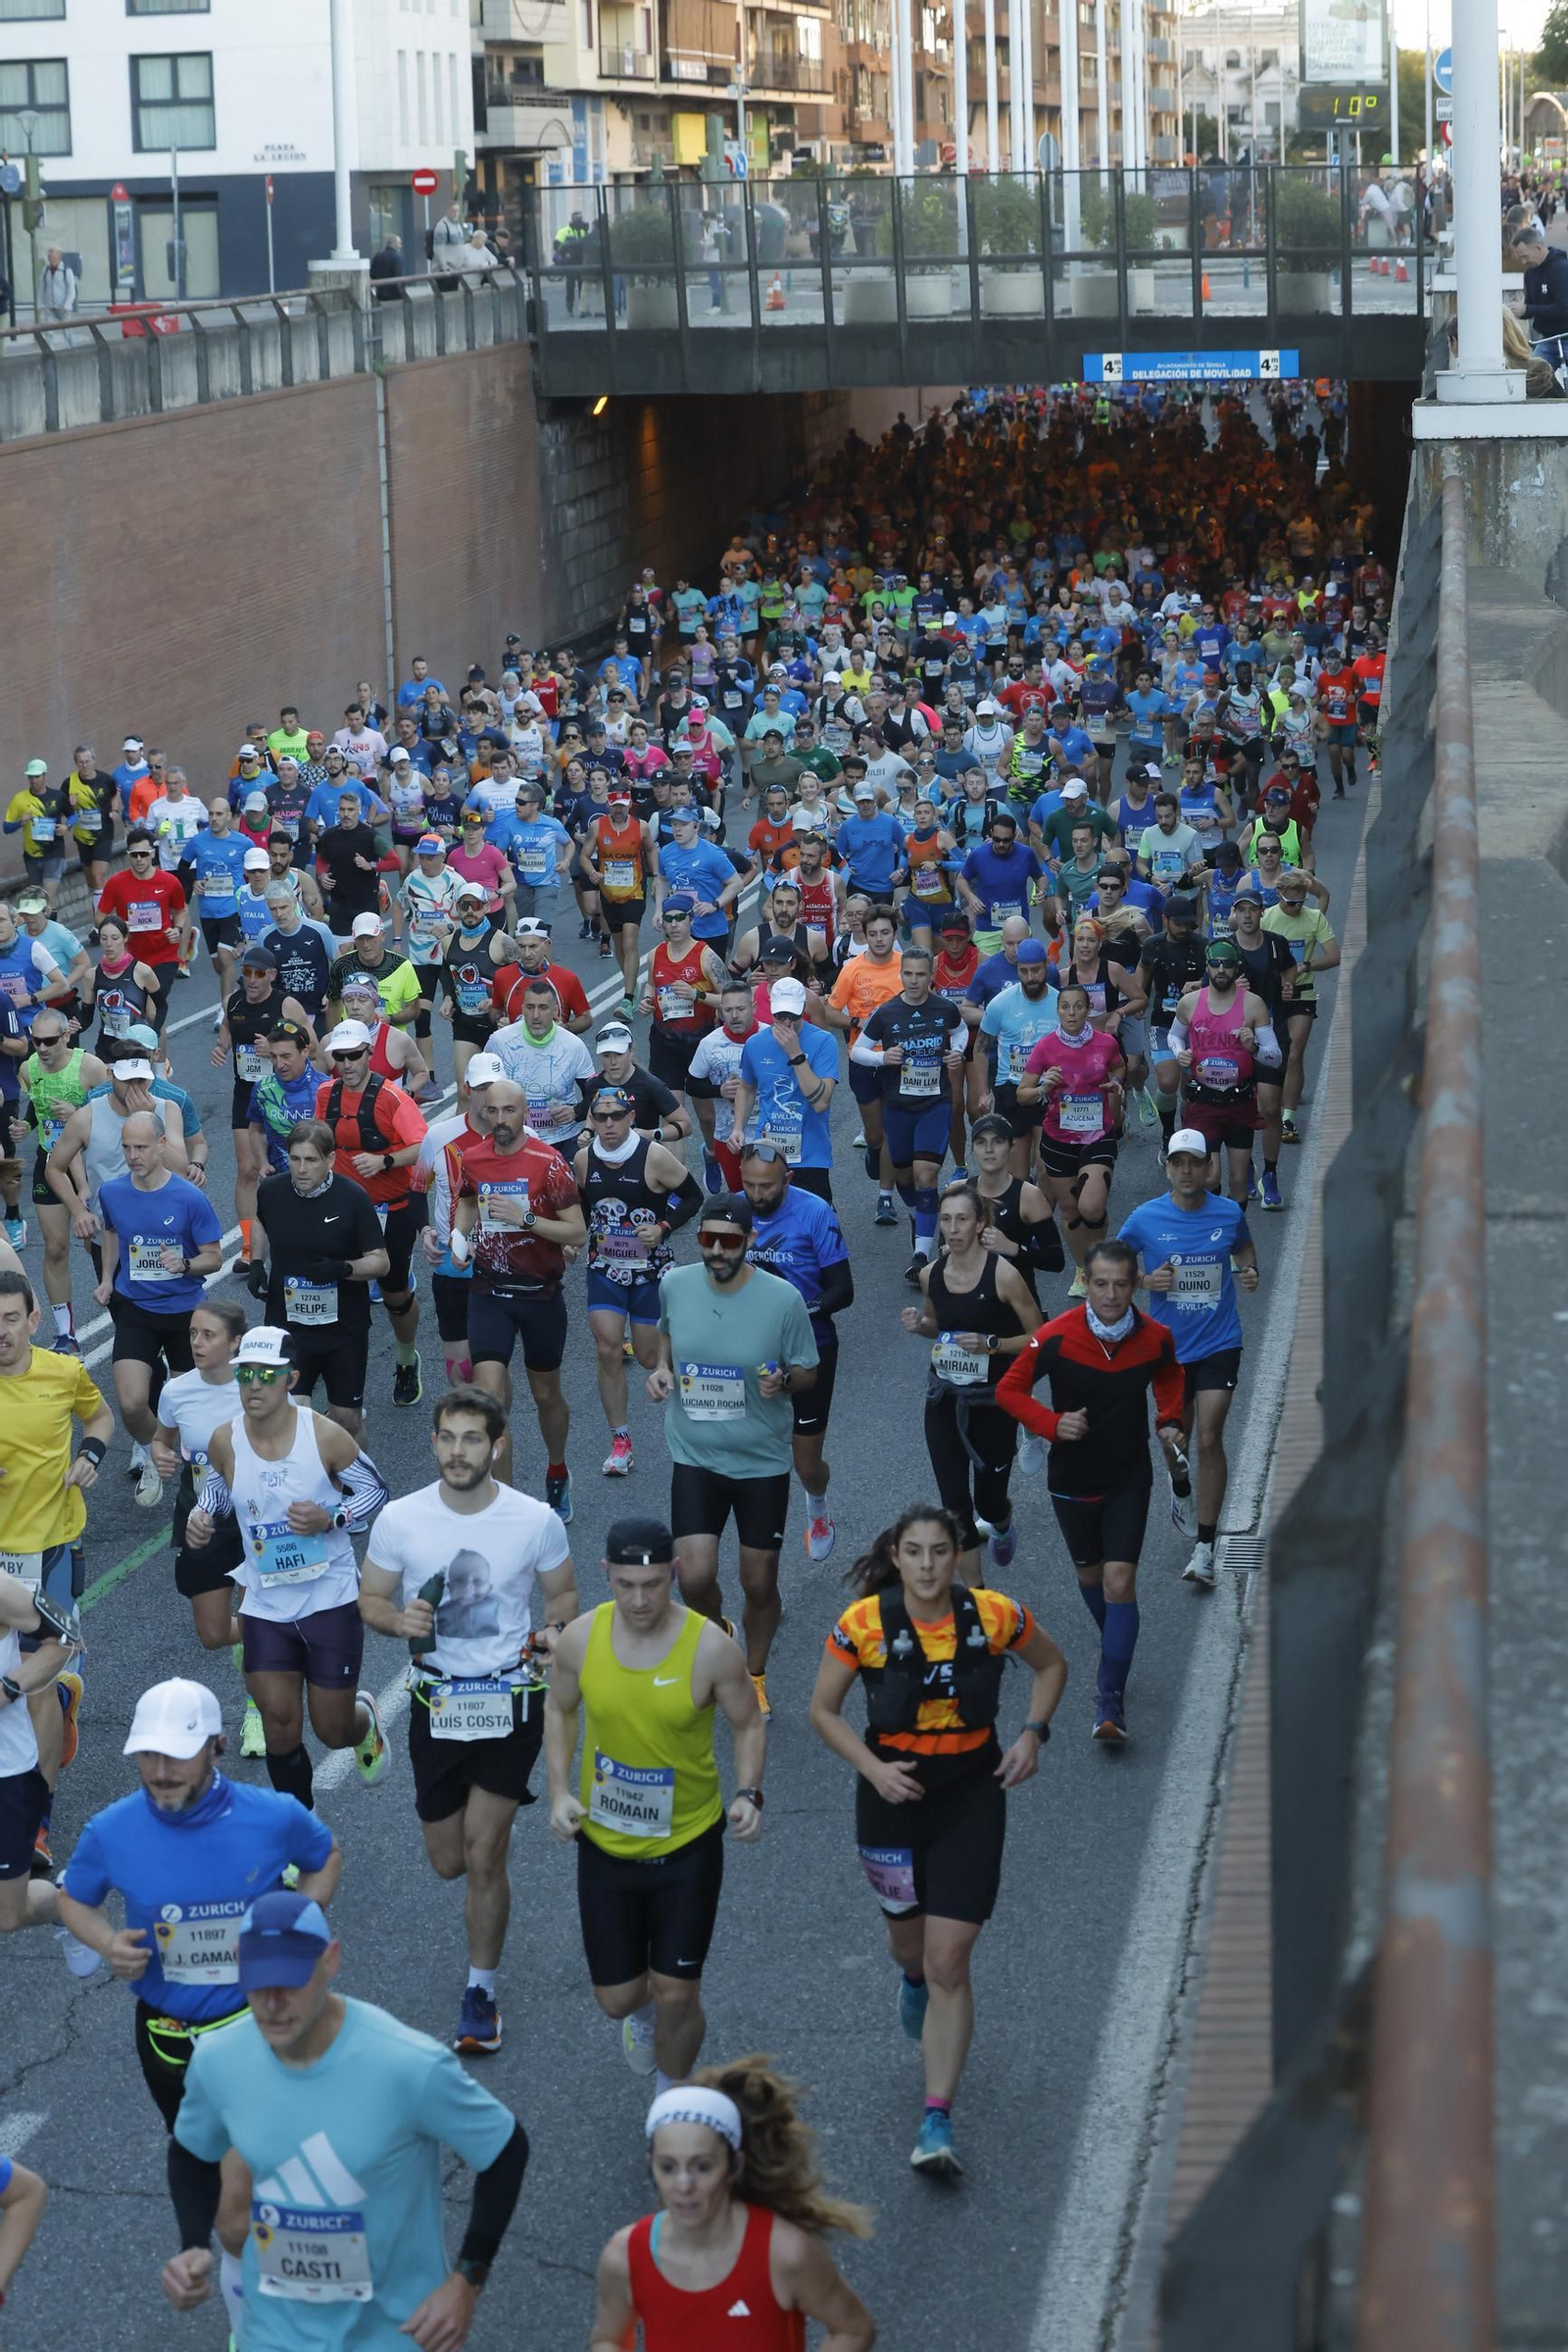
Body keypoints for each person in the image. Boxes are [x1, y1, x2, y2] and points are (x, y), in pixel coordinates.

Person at [808, 1505, 1065, 2180]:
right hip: (891, 1797)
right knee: (910, 1945)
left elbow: (1051, 1665)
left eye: (940, 1553)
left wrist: (1033, 1733)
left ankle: (936, 2119)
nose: (926, 1566)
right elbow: (822, 1710)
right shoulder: (863, 1625)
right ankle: (911, 1976)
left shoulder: (993, 1615)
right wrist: (874, 1770)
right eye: (914, 1553)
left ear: (958, 1556)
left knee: (952, 1959)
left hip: (970, 1795)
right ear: (896, 1556)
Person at [162, 1892, 530, 2345]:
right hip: (274, 2332)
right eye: (259, 1981)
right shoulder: (220, 2060)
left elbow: (506, 2148)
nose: (273, 2002)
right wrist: (192, 2243)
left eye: (290, 1981)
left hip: (394, 2333)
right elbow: (191, 2152)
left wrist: (466, 2281)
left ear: (330, 1960)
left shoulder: (407, 2066)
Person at [55, 1673, 340, 2191]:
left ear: (218, 1747)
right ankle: (227, 2257)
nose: (160, 1773)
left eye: (178, 1756)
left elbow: (324, 1858)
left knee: (272, 2163)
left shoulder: (271, 1817)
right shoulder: (111, 1830)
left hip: (266, 2018)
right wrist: (106, 1943)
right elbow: (74, 1897)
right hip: (170, 2034)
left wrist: (300, 1916)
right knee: (200, 2159)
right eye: (147, 1756)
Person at [361, 1385, 578, 2053]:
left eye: (473, 1439)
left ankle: (480, 1991)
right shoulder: (401, 1519)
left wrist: (555, 1635)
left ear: (498, 1445)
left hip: (511, 1700)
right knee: (448, 1861)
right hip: (436, 1702)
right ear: (433, 1443)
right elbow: (370, 1598)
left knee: (486, 1854)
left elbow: (562, 1593)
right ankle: (374, 1721)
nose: (459, 1452)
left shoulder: (534, 1519)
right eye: (448, 1438)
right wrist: (399, 1619)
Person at [543, 1516, 766, 2093]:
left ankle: (673, 2101)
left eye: (653, 1584)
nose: (639, 1599)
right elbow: (560, 1708)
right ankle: (643, 2021)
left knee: (677, 1992)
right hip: (606, 1845)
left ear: (675, 1572)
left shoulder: (711, 1648)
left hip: (688, 1844)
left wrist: (748, 1792)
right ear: (606, 1576)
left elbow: (747, 1723)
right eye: (624, 1585)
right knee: (618, 1999)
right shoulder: (580, 1640)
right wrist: (561, 1790)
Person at [184, 1326, 390, 1811]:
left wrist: (332, 1518)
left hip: (330, 1597)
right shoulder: (225, 1439)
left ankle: (363, 1720)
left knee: (331, 1729)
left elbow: (376, 1490)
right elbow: (217, 1486)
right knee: (279, 1722)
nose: (253, 1385)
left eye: (265, 1376)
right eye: (245, 1375)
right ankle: (300, 1834)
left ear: (290, 1379)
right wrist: (203, 1515)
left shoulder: (322, 1434)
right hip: (264, 1599)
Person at [996, 1239, 1186, 1744]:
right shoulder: (1056, 1337)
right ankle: (1117, 1640)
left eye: (1121, 1284)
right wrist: (1052, 1424)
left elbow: (1169, 1376)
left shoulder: (1156, 1337)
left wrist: (1169, 1420)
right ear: (1086, 1283)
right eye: (1099, 1284)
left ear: (1135, 1284)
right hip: (1072, 1481)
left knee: (1120, 1583)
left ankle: (1110, 1701)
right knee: (1093, 1579)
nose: (1110, 1294)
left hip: (1129, 1477)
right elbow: (1009, 1391)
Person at [650, 1197, 818, 1716]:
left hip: (761, 1461)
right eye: (707, 1240)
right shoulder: (675, 1285)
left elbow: (808, 1370)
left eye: (729, 1241)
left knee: (759, 1582)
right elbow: (666, 1337)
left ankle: (755, 1673)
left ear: (749, 1242)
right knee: (695, 1578)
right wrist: (661, 1369)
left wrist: (783, 1382)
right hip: (695, 1453)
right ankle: (722, 1639)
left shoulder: (783, 1300)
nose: (717, 1251)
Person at [590, 2064, 877, 2351]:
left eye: (702, 2167)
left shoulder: (784, 2255)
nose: (684, 2184)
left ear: (734, 2166)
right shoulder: (624, 2257)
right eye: (668, 2167)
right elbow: (608, 2339)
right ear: (650, 2166)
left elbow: (852, 2330)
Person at [1119, 1132, 1260, 1589]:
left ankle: (1205, 1546)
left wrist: (1249, 1269)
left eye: (1194, 1163)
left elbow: (1242, 1246)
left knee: (1207, 1439)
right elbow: (1111, 1271)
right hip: (1167, 1352)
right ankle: (1180, 1487)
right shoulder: (1145, 1218)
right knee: (1172, 1440)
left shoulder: (1228, 1212)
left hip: (1220, 1342)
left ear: (1208, 1169)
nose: (1185, 1171)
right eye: (1177, 1162)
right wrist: (1144, 1280)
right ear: (1166, 1168)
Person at [450, 1074, 587, 1520]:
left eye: (510, 1111)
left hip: (540, 1294)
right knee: (489, 1396)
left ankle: (557, 1469)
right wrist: (459, 1237)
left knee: (546, 1394)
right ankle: (502, 1503)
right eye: (493, 1111)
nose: (501, 1119)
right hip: (490, 1290)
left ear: (526, 1113)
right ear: (483, 1113)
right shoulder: (472, 1158)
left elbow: (577, 1232)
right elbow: (468, 1203)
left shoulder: (549, 1164)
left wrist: (527, 1218)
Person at [899, 1185, 1037, 1578]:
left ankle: (1002, 1523)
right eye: (945, 1220)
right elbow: (938, 1327)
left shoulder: (1004, 1276)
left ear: (980, 1224)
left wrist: (990, 1344)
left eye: (962, 1219)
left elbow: (1039, 1337)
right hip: (944, 1399)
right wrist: (920, 1326)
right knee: (955, 1503)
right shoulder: (931, 1275)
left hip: (994, 1402)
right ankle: (975, 1599)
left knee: (989, 1503)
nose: (953, 1228)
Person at [93, 1111, 225, 1508]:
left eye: (141, 1147)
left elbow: (215, 1258)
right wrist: (105, 1278)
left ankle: (197, 1464)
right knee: (133, 1403)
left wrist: (183, 1264)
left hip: (187, 1314)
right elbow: (112, 1232)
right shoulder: (112, 1193)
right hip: (137, 1308)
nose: (132, 1156)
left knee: (188, 1411)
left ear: (162, 1146)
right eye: (127, 1148)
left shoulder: (189, 1198)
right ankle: (156, 1455)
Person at [574, 1084, 703, 1476]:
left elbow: (694, 1197)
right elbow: (583, 1205)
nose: (609, 1124)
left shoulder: (654, 1157)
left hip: (650, 1273)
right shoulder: (583, 1160)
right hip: (606, 1270)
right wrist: (577, 1241)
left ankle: (698, 1392)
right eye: (601, 1117)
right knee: (608, 1348)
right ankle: (620, 1440)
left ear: (631, 1118)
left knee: (649, 1358)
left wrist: (663, 1227)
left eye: (617, 1116)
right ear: (592, 1121)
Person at [739, 1140, 854, 1562]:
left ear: (787, 1179)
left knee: (806, 1465)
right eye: (749, 1185)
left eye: (766, 1187)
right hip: (746, 1348)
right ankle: (760, 1549)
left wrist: (794, 1313)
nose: (756, 1196)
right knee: (755, 1459)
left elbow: (843, 1290)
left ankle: (818, 1505)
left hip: (809, 1346)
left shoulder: (815, 1212)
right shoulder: (732, 1210)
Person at [250, 1119, 390, 1440]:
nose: (301, 1169)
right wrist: (257, 1261)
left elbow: (381, 1262)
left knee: (347, 1420)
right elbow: (260, 1220)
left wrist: (343, 1269)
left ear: (330, 1160)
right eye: (294, 1159)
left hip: (342, 1329)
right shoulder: (271, 1192)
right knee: (292, 1418)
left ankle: (358, 1486)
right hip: (290, 1326)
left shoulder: (352, 1198)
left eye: (311, 1160)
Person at [314, 1020, 428, 1406]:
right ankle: (327, 1363)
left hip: (392, 1207)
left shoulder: (392, 1097)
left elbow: (424, 1147)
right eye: (339, 1057)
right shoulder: (325, 1093)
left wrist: (385, 1161)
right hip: (343, 1209)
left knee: (395, 1294)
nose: (346, 1064)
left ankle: (406, 1357)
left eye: (354, 1056)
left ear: (368, 1054)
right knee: (337, 1284)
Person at [853, 946, 968, 1282]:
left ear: (931, 976)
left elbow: (960, 1032)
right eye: (909, 974)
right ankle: (922, 1215)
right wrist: (882, 1058)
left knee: (926, 1175)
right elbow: (858, 1050)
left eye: (921, 974)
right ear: (900, 975)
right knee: (904, 1175)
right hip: (898, 1106)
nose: (915, 981)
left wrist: (956, 1053)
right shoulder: (886, 1013)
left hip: (936, 1103)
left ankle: (921, 1256)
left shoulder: (945, 1008)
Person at [1017, 980, 1126, 1298]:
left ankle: (1100, 1251)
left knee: (1091, 1207)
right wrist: (1042, 1088)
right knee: (1070, 1210)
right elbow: (1022, 1094)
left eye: (1078, 1006)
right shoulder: (1045, 1047)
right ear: (1058, 1011)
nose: (1072, 1012)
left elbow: (1120, 1068)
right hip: (1058, 1137)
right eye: (1065, 1007)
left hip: (1097, 1135)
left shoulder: (1105, 1044)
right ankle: (1084, 1269)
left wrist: (1116, 1082)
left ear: (1088, 1010)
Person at [12, 1011, 109, 1352]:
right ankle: (66, 1334)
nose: (41, 1048)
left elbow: (118, 1107)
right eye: (35, 1041)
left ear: (66, 1036)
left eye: (49, 1041)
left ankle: (123, 1311)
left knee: (96, 1246)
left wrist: (83, 1112)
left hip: (91, 1166)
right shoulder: (28, 1069)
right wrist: (26, 1127)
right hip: (50, 1163)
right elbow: (38, 1106)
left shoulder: (91, 1067)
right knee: (55, 1248)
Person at [1169, 937, 1282, 1200]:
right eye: (1216, 964)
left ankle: (1233, 1236)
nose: (1221, 970)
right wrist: (1180, 1053)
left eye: (1227, 964)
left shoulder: (1253, 1004)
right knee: (1208, 1178)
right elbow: (1174, 1036)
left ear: (1236, 967)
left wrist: (1253, 1047)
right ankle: (1214, 1231)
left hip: (1239, 1101)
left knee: (1239, 1180)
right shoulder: (1190, 1002)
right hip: (1203, 1101)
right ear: (1207, 966)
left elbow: (1274, 1057)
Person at [730, 977, 839, 1204]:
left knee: (813, 1227)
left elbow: (820, 1102)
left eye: (793, 1016)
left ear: (803, 1009)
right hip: (768, 1152)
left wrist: (795, 1055)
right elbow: (747, 1088)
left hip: (811, 1156)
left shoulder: (824, 1042)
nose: (787, 1022)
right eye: (781, 1016)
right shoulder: (755, 1044)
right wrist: (738, 1127)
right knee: (769, 1223)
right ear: (771, 1009)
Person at [1261, 868, 1339, 1144]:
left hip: (1302, 993)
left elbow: (1334, 956)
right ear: (1279, 896)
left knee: (1294, 1054)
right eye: (1290, 902)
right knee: (1271, 1054)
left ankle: (1288, 1118)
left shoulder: (1314, 918)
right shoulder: (1267, 918)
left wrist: (1306, 965)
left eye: (1301, 902)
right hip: (1270, 995)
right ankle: (1265, 1102)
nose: (1296, 908)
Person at [36, 247, 77, 324]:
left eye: (51, 252)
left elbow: (71, 290)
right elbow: (41, 288)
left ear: (58, 256)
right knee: (48, 331)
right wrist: (40, 304)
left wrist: (67, 304)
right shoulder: (45, 270)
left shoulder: (66, 270)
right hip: (49, 306)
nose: (49, 254)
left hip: (63, 307)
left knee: (67, 331)